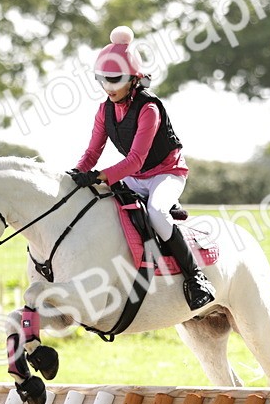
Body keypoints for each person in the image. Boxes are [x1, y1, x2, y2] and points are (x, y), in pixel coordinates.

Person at [69, 26, 216, 311]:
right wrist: (75, 174)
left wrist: (99, 176)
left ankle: (195, 278)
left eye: (115, 80)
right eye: (103, 81)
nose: (109, 88)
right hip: (135, 177)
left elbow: (136, 159)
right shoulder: (104, 110)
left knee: (157, 212)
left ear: (134, 79)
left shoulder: (150, 108)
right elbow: (92, 152)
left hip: (166, 173)